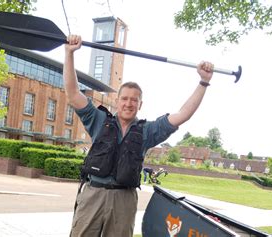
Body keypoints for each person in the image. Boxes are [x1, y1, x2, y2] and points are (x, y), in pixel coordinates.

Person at [64, 34, 214, 237]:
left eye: (134, 100)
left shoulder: (148, 131)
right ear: (117, 102)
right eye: (124, 98)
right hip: (93, 195)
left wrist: (203, 82)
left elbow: (183, 114)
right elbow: (73, 94)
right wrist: (69, 53)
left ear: (140, 104)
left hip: (123, 201)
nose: (128, 103)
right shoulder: (99, 120)